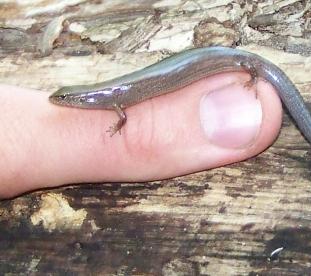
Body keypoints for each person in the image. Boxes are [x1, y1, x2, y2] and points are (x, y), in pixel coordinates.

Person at [0, 72, 283, 198]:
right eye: (64, 99)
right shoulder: (106, 99)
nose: (62, 101)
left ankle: (250, 76)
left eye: (64, 98)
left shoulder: (111, 101)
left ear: (78, 99)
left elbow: (122, 117)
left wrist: (118, 131)